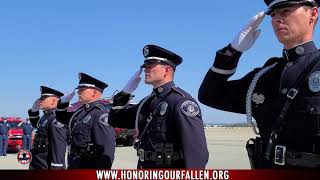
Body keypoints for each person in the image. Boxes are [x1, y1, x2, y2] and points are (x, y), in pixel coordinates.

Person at [198, 0, 320, 168]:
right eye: (273, 14)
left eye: (285, 11)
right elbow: (209, 95)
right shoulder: (265, 75)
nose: (277, 19)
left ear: (313, 14)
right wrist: (233, 51)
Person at [108, 44, 209, 169]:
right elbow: (115, 119)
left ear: (166, 70)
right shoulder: (146, 103)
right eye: (145, 66)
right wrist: (124, 93)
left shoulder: (180, 102)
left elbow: (196, 155)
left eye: (150, 66)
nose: (146, 70)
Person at [55, 73, 115, 169]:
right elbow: (61, 118)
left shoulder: (100, 115)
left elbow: (106, 151)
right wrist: (63, 102)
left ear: (94, 93)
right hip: (74, 164)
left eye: (82, 89)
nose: (78, 92)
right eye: (79, 89)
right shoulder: (79, 112)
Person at [28, 86, 68, 169]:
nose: (40, 101)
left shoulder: (56, 118)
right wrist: (33, 111)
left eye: (43, 99)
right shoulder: (45, 116)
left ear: (53, 101)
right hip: (38, 164)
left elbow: (58, 147)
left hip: (46, 166)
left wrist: (57, 168)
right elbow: (36, 124)